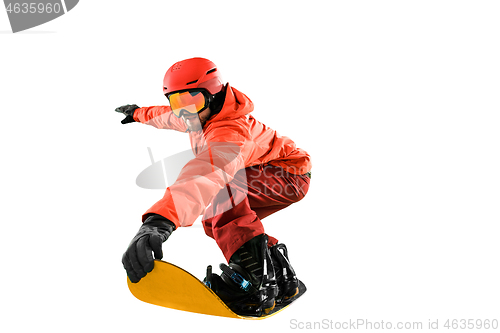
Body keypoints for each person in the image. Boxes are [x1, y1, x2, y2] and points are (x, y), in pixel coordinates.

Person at [117, 57, 312, 317]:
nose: (185, 112)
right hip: (274, 171)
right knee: (215, 219)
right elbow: (164, 117)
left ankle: (256, 284)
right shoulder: (196, 115)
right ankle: (279, 273)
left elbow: (204, 174)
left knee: (223, 199)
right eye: (177, 102)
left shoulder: (229, 130)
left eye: (192, 101)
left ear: (214, 92)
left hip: (287, 174)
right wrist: (138, 113)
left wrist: (159, 221)